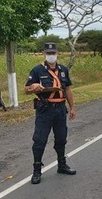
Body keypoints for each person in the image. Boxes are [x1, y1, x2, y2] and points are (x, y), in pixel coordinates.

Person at [25, 42, 77, 184]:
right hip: (45, 109)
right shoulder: (37, 70)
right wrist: (33, 87)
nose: (51, 56)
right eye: (48, 53)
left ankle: (62, 164)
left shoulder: (63, 70)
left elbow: (67, 90)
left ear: (57, 53)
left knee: (61, 138)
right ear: (44, 53)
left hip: (60, 109)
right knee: (40, 140)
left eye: (53, 53)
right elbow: (26, 90)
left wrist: (72, 107)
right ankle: (36, 170)